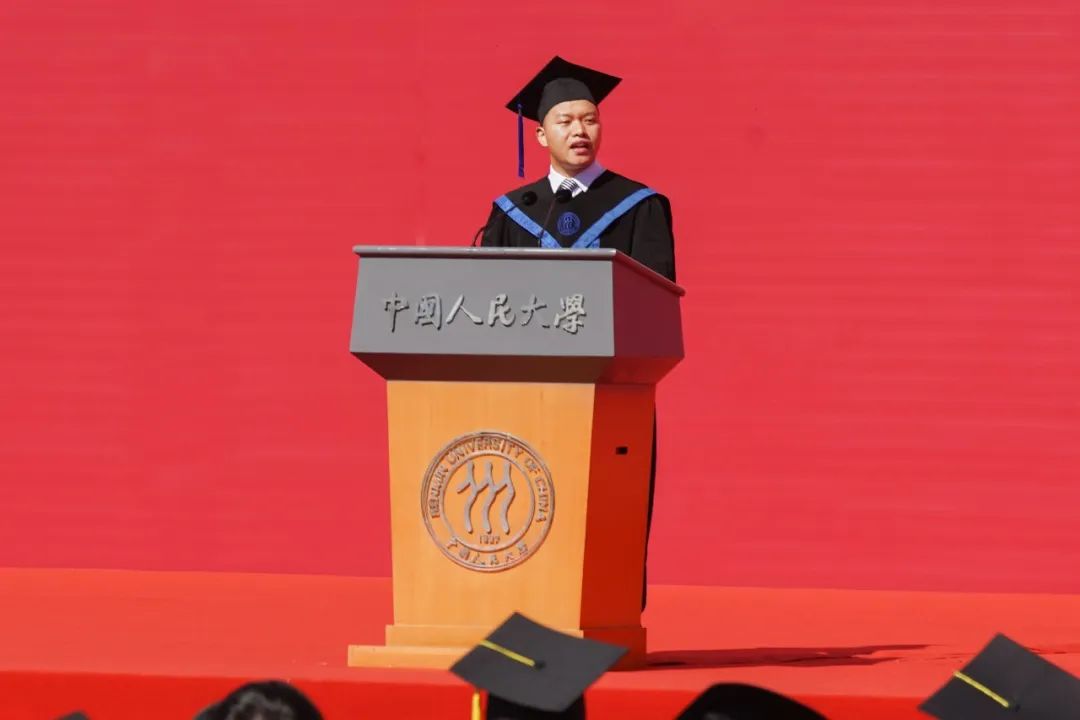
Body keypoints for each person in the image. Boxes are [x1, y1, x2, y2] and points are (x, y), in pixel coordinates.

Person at [480, 56, 676, 608]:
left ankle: (609, 612)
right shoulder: (512, 212)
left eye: (589, 119)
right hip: (526, 390)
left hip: (609, 388)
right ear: (541, 135)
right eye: (565, 121)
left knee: (607, 502)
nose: (580, 130)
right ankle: (520, 610)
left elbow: (655, 301)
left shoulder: (639, 206)